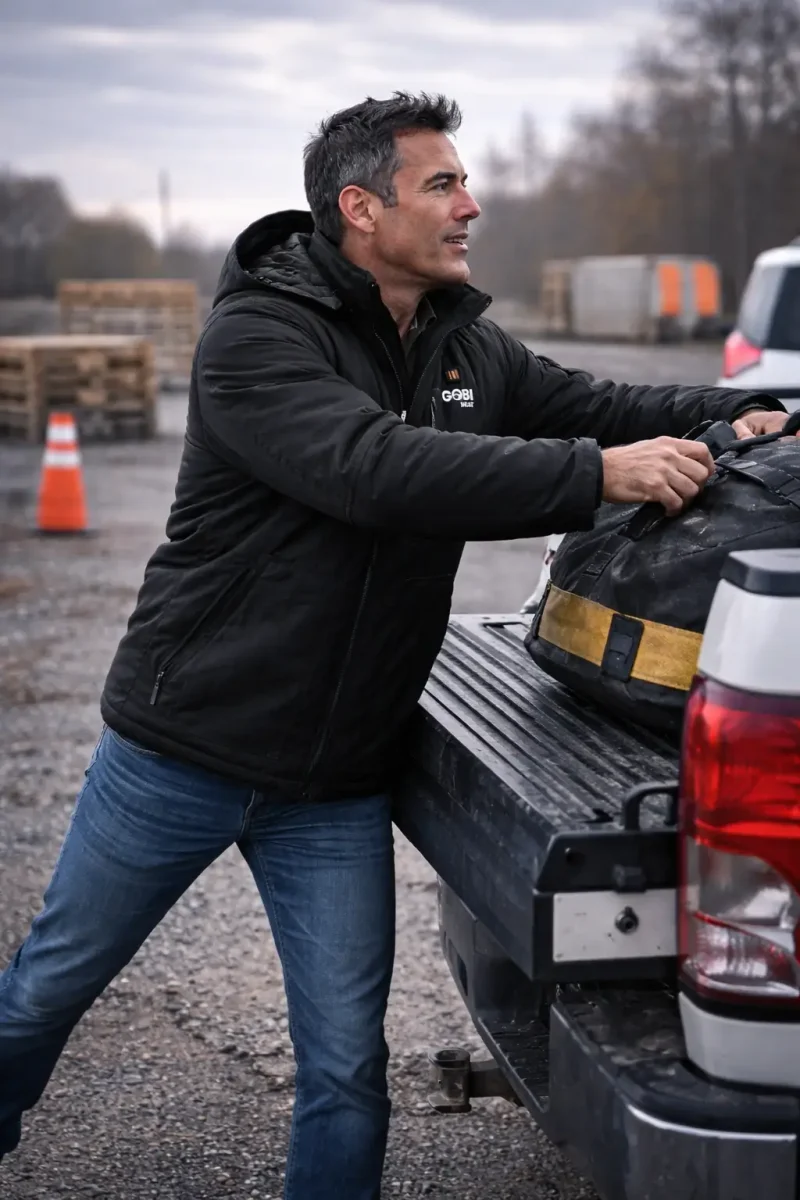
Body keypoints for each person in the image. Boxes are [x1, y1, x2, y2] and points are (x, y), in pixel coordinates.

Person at [0, 92, 790, 1200]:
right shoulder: (258, 336)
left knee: (345, 1067)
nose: (470, 205)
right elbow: (371, 471)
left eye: (464, 182)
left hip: (333, 784)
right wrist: (591, 476)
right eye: (441, 185)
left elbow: (600, 398)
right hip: (183, 753)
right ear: (359, 208)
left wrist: (749, 411)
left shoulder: (460, 341)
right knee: (41, 996)